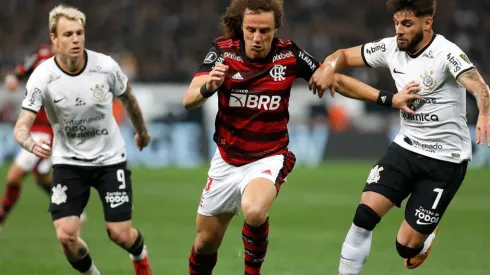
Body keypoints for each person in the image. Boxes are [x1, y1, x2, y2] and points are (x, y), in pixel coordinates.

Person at [182, 0, 421, 274]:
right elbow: (189, 98)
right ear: (240, 27)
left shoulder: (289, 56)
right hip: (227, 159)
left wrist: (389, 99)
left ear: (275, 28)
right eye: (251, 30)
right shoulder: (222, 52)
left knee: (255, 210)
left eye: (265, 31)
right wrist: (207, 88)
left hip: (268, 157)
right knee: (205, 244)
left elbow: (336, 80)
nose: (258, 38)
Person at [309, 0, 490, 274]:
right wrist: (328, 66)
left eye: (406, 24)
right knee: (363, 218)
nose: (399, 31)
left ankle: (425, 234)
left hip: (445, 161)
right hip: (405, 148)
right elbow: (342, 55)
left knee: (406, 249)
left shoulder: (446, 53)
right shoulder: (391, 47)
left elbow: (478, 86)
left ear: (427, 23)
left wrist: (485, 114)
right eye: (396, 23)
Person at [13, 5, 152, 275]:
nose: (75, 39)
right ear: (54, 39)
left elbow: (130, 100)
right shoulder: (43, 76)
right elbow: (21, 127)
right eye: (68, 34)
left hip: (109, 160)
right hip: (68, 162)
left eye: (79, 33)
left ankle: (141, 259)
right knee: (66, 235)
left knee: (120, 234)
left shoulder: (105, 66)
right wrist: (30, 143)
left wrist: (142, 131)